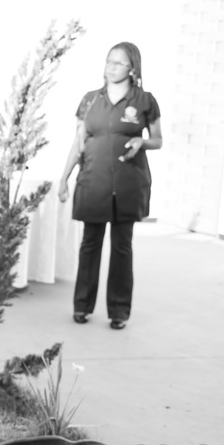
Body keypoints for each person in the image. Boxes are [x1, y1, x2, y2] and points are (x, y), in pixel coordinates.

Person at [58, 42, 163, 330]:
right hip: (93, 181)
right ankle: (82, 306)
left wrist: (142, 141)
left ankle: (119, 312)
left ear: (132, 68)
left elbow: (158, 139)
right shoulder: (90, 100)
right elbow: (78, 142)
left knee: (122, 246)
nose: (111, 68)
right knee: (89, 243)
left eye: (118, 63)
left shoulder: (145, 101)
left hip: (129, 184)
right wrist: (64, 177)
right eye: (109, 62)